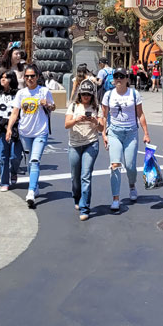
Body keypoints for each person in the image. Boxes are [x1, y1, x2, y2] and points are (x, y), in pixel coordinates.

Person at [6, 63, 54, 209]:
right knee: (29, 160)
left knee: (34, 160)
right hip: (24, 132)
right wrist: (9, 128)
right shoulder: (21, 93)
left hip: (40, 131)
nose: (30, 79)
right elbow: (15, 112)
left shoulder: (44, 91)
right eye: (27, 76)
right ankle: (35, 185)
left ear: (37, 77)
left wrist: (48, 104)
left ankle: (31, 192)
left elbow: (53, 107)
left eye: (32, 76)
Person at [101, 67, 150, 210]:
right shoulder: (108, 95)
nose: (118, 79)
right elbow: (104, 116)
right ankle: (116, 198)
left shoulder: (134, 94)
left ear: (127, 79)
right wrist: (104, 134)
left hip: (131, 133)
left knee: (130, 166)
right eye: (116, 76)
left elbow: (140, 114)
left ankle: (132, 185)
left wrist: (146, 133)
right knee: (115, 165)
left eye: (121, 76)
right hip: (114, 133)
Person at [65, 80, 102, 221]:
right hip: (74, 144)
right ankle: (77, 197)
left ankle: (85, 207)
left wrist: (95, 121)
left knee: (85, 175)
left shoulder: (96, 108)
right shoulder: (74, 107)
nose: (86, 96)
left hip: (91, 143)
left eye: (89, 94)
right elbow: (66, 125)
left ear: (92, 95)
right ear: (80, 94)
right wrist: (76, 119)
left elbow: (102, 128)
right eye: (84, 94)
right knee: (75, 176)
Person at [0, 70, 22, 191]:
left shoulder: (19, 94)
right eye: (1, 77)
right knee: (3, 156)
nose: (3, 79)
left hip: (16, 128)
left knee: (15, 156)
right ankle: (4, 182)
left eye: (6, 77)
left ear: (12, 80)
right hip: (1, 128)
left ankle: (14, 171)